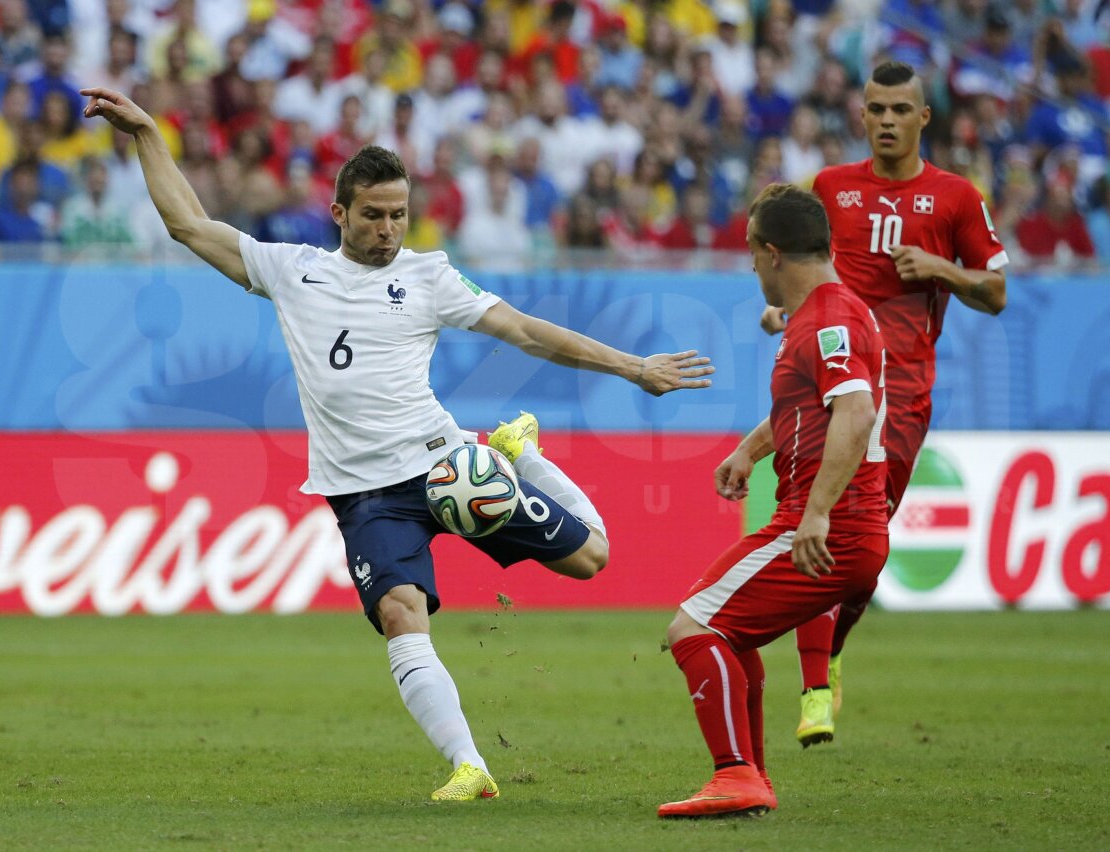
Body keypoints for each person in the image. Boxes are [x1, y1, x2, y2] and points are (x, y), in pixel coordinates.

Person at [80, 85, 715, 802]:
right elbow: (190, 225)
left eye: (399, 216)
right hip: (365, 493)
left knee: (591, 560)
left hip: (450, 467)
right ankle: (469, 765)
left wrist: (633, 368)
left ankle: (522, 449)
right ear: (340, 213)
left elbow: (529, 330)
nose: (388, 230)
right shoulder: (294, 272)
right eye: (374, 216)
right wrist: (146, 134)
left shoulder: (430, 276)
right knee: (399, 613)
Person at [760, 60, 1009, 746]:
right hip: (827, 381)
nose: (888, 121)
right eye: (876, 109)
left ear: (924, 117)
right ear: (862, 115)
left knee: (864, 549)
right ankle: (814, 688)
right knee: (821, 517)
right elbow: (787, 256)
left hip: (901, 393)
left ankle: (830, 651)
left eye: (901, 109)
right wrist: (781, 308)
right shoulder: (829, 189)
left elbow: (995, 293)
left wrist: (942, 271)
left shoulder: (956, 197)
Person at [659, 183, 888, 818]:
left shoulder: (830, 321)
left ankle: (736, 774)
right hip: (839, 524)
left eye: (751, 253)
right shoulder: (833, 312)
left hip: (828, 525)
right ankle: (748, 776)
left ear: (771, 252)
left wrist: (815, 512)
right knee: (729, 634)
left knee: (694, 626)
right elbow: (807, 408)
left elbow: (856, 410)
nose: (751, 266)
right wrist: (749, 451)